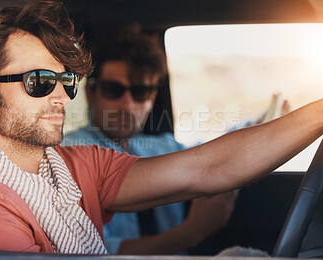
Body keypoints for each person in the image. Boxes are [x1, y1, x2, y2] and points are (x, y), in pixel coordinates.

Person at [0, 0, 323, 255]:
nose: (63, 98)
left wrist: (317, 115)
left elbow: (209, 167)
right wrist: (192, 232)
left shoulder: (73, 167)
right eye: (39, 81)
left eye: (65, 81)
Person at [62, 26, 237, 255]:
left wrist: (262, 123)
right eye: (113, 90)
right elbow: (92, 253)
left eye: (140, 92)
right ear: (89, 94)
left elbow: (219, 153)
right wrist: (191, 232)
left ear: (152, 97)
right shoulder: (68, 155)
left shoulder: (162, 148)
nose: (127, 105)